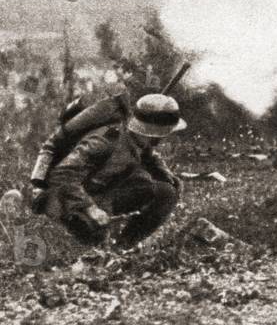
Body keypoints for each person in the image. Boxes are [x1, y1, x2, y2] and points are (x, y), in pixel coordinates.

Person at [40, 93, 185, 248]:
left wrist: (165, 173)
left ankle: (125, 245)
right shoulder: (104, 142)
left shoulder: (139, 138)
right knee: (93, 240)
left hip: (104, 193)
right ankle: (85, 235)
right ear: (156, 133)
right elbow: (62, 174)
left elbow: (148, 154)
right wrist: (90, 208)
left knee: (166, 193)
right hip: (70, 200)